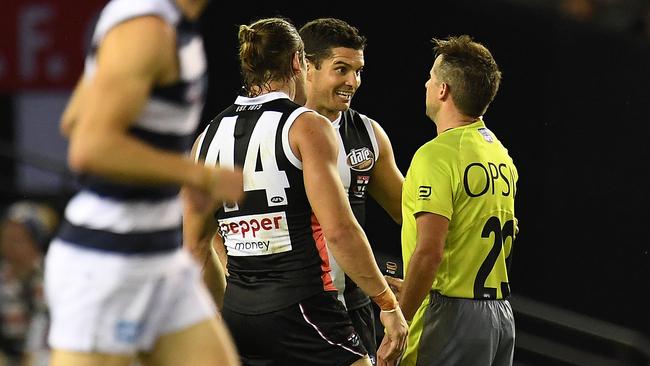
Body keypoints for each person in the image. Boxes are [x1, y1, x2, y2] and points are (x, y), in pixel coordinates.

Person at [183, 16, 408, 366]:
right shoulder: (306, 127)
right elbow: (339, 230)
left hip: (240, 314)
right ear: (297, 62)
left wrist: (222, 312)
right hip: (305, 307)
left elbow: (194, 246)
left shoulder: (206, 139)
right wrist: (387, 303)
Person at [45, 0, 243, 365]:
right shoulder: (146, 29)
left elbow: (74, 118)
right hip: (107, 264)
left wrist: (166, 174)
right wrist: (201, 175)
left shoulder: (170, 22)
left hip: (161, 258)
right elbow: (90, 146)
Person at [382, 35, 518, 366]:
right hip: (498, 315)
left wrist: (400, 323)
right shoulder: (500, 155)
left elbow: (429, 252)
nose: (427, 83)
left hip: (449, 316)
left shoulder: (436, 156)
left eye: (431, 76)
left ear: (443, 90)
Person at [298, 18, 404, 366]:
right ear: (306, 67)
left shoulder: (369, 134)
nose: (352, 82)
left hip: (352, 307)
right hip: (291, 305)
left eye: (358, 71)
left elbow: (413, 215)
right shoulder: (272, 130)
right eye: (341, 69)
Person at [0, 201, 57, 366]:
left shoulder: (53, 273)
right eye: (6, 237)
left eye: (18, 239)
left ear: (36, 242)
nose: (9, 245)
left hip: (47, 353)